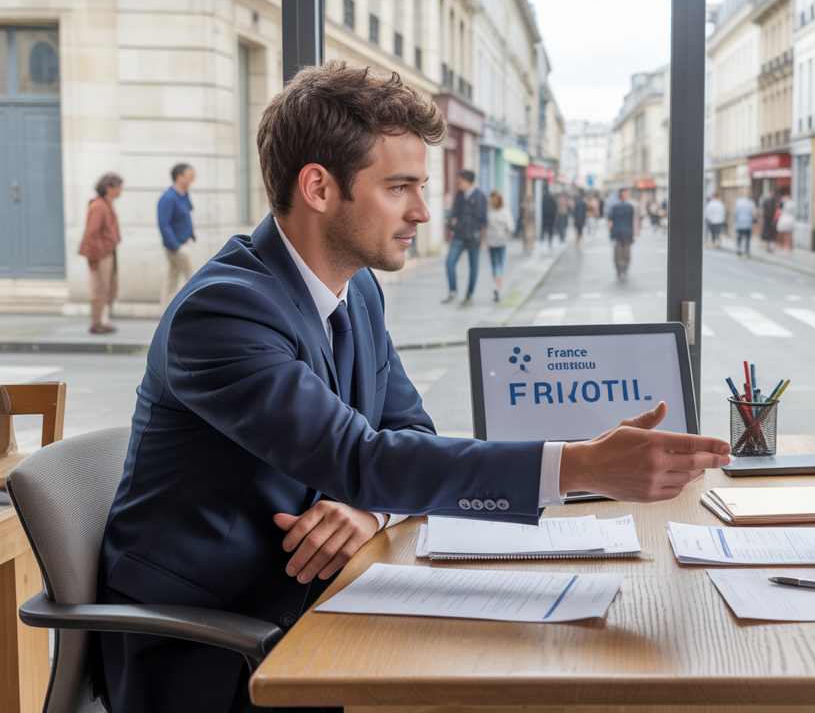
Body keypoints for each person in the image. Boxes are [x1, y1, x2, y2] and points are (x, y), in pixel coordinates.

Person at [98, 62, 731, 713]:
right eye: (400, 187)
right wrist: (578, 464)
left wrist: (371, 510)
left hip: (322, 597)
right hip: (212, 642)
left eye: (421, 186)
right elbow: (362, 458)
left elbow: (407, 435)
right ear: (318, 186)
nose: (424, 211)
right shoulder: (223, 312)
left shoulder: (358, 287)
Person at [79, 172, 123, 334]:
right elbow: (91, 233)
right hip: (101, 253)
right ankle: (96, 323)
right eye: (117, 187)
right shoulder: (99, 205)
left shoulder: (106, 204)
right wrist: (94, 256)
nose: (120, 190)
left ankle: (102, 320)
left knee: (108, 288)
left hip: (107, 251)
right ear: (108, 188)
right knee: (99, 288)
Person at [444, 169, 485, 305]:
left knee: (473, 267)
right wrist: (450, 226)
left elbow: (483, 219)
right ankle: (453, 291)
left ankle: (470, 295)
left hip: (474, 237)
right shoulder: (459, 195)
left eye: (459, 182)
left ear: (468, 182)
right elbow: (454, 213)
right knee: (449, 263)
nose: (458, 184)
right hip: (459, 235)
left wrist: (482, 238)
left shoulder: (480, 196)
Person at [158, 162, 196, 303]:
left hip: (185, 243)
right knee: (193, 279)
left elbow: (188, 216)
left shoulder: (184, 196)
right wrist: (175, 246)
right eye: (191, 175)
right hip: (177, 247)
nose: (193, 178)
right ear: (179, 177)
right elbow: (164, 224)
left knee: (172, 280)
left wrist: (191, 236)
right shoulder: (168, 198)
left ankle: (166, 313)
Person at [486, 190, 513, 303]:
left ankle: (496, 285)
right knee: (500, 264)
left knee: (494, 264)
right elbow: (511, 228)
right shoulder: (505, 212)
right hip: (502, 241)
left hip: (491, 241)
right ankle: (497, 287)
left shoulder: (489, 212)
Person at [608, 188, 638, 280]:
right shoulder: (626, 207)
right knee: (621, 253)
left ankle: (622, 270)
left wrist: (635, 232)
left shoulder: (618, 207)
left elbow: (633, 220)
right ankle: (622, 270)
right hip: (621, 233)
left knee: (623, 253)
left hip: (623, 233)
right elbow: (610, 221)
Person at [733, 193, 755, 258]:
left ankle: (739, 248)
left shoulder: (738, 203)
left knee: (739, 237)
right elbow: (754, 213)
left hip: (740, 222)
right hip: (748, 223)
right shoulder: (751, 203)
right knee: (747, 238)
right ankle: (746, 251)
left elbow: (736, 213)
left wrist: (735, 221)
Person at [775, 187, 795, 257]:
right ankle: (787, 250)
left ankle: (785, 249)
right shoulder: (792, 203)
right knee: (788, 237)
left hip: (783, 221)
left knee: (783, 236)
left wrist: (775, 219)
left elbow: (779, 212)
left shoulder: (783, 203)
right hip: (790, 221)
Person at [758, 187, 777, 253]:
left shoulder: (768, 204)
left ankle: (767, 246)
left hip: (768, 221)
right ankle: (767, 246)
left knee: (767, 233)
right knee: (768, 233)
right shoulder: (770, 204)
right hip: (769, 221)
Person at [540, 185, 557, 249]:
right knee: (546, 231)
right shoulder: (544, 199)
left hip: (549, 218)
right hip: (546, 218)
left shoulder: (549, 199)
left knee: (549, 231)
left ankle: (549, 242)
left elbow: (554, 209)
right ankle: (544, 242)